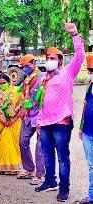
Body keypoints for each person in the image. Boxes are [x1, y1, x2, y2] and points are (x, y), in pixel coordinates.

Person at [34, 23, 85, 202]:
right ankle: (49, 181)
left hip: (62, 122)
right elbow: (41, 103)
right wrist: (39, 122)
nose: (50, 60)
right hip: (45, 123)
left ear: (60, 61)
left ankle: (64, 189)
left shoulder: (68, 73)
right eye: (48, 57)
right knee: (47, 153)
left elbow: (79, 57)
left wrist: (75, 35)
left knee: (63, 156)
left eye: (53, 57)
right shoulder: (44, 78)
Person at [15, 54, 45, 185]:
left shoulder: (42, 77)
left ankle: (40, 174)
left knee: (40, 146)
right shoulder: (26, 79)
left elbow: (45, 98)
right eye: (23, 67)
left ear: (34, 63)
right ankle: (29, 169)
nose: (25, 68)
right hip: (27, 116)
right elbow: (22, 95)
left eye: (27, 66)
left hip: (40, 116)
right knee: (23, 141)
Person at [0, 73, 23, 175]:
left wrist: (13, 119)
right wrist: (3, 120)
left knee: (14, 144)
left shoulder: (16, 91)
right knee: (2, 145)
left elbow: (21, 105)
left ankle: (15, 167)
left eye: (4, 83)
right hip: (1, 123)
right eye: (0, 83)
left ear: (9, 82)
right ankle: (2, 167)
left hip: (14, 122)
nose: (3, 85)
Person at [78, 55, 93, 204]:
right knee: (91, 166)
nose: (91, 73)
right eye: (89, 70)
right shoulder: (89, 85)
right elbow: (85, 106)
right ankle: (91, 196)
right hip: (88, 132)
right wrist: (81, 127)